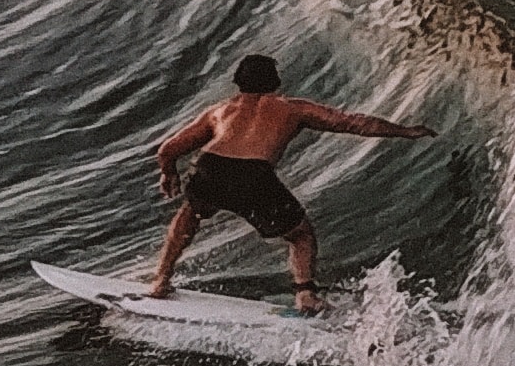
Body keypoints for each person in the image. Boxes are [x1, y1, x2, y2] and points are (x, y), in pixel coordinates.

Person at [145, 55, 433, 314]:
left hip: (210, 166)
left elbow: (167, 150)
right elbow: (352, 122)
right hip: (253, 175)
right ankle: (305, 295)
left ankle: (161, 280)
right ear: (276, 81)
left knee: (189, 216)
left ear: (237, 82)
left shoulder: (219, 111)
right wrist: (405, 131)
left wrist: (168, 173)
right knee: (301, 235)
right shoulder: (293, 108)